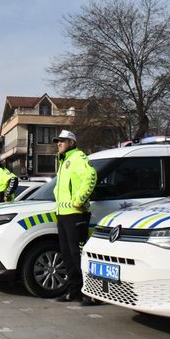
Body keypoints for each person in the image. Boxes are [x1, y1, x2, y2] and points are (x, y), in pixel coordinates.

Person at [52, 130, 96, 303]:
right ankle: (74, 291)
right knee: (67, 255)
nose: (59, 143)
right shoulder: (63, 161)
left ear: (71, 143)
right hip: (63, 215)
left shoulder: (78, 157)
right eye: (58, 141)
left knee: (78, 256)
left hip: (76, 215)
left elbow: (91, 176)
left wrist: (79, 200)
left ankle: (90, 294)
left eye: (62, 141)